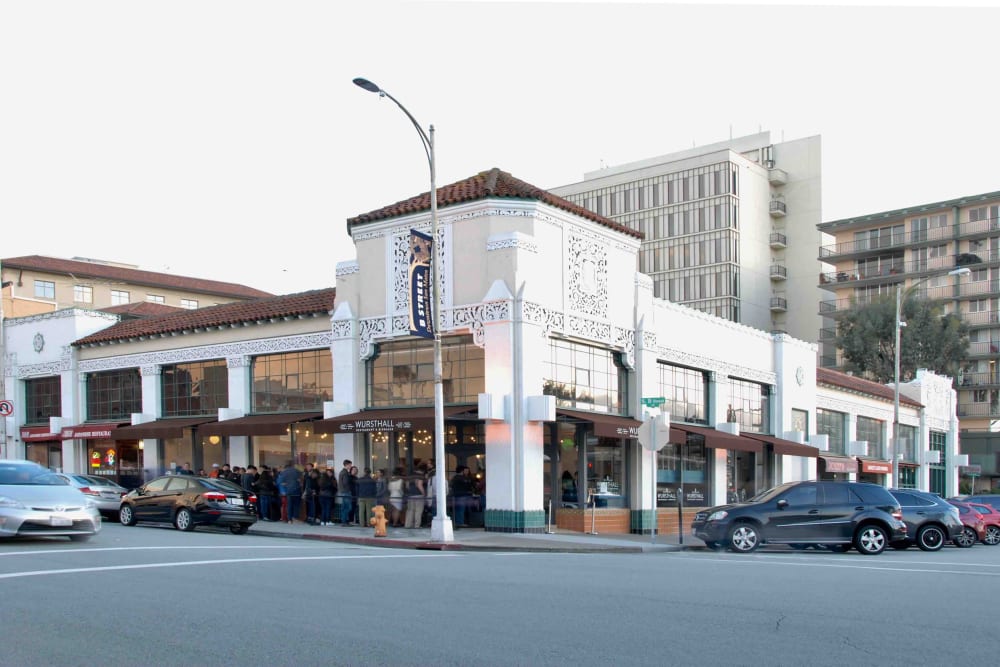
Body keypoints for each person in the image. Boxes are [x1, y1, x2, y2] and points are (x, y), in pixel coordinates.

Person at [337, 459, 354, 525]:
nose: (351, 466)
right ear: (346, 465)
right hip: (346, 491)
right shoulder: (345, 473)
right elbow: (346, 482)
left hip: (343, 491)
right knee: (348, 507)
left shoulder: (342, 472)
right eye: (350, 465)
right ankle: (345, 521)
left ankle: (344, 521)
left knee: (344, 507)